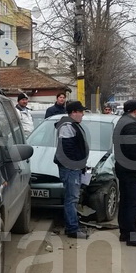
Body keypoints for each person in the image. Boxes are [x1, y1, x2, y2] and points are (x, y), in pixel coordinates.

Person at [113, 100, 136, 247]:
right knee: (132, 203)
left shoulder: (123, 122)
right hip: (130, 170)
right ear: (135, 111)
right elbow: (133, 150)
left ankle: (124, 232)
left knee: (125, 202)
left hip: (124, 168)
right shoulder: (129, 126)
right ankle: (131, 235)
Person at [54, 100, 89, 239]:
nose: (82, 115)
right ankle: (72, 229)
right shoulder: (67, 126)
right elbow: (68, 150)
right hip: (70, 168)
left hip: (74, 168)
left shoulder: (72, 124)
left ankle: (73, 225)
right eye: (81, 112)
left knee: (73, 198)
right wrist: (78, 164)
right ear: (74, 112)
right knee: (71, 199)